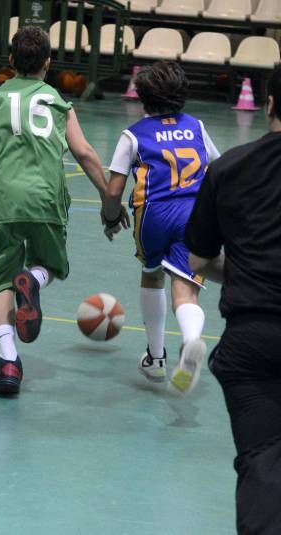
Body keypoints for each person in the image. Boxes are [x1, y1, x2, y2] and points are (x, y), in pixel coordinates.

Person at [0, 26, 120, 396]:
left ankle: (9, 362)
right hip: (46, 199)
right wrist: (111, 204)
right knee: (52, 265)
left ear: (10, 61)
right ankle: (34, 278)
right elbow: (86, 155)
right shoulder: (60, 103)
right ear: (48, 63)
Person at [185, 66, 281, 534]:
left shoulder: (228, 168)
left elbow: (199, 260)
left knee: (263, 463)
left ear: (269, 107)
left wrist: (244, 270)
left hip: (252, 341)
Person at [102, 60, 220, 395]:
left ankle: (155, 359)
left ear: (142, 97)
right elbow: (219, 168)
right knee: (186, 289)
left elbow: (113, 190)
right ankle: (192, 339)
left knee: (152, 274)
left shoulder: (134, 134)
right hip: (193, 215)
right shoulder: (196, 127)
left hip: (153, 214)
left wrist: (111, 217)